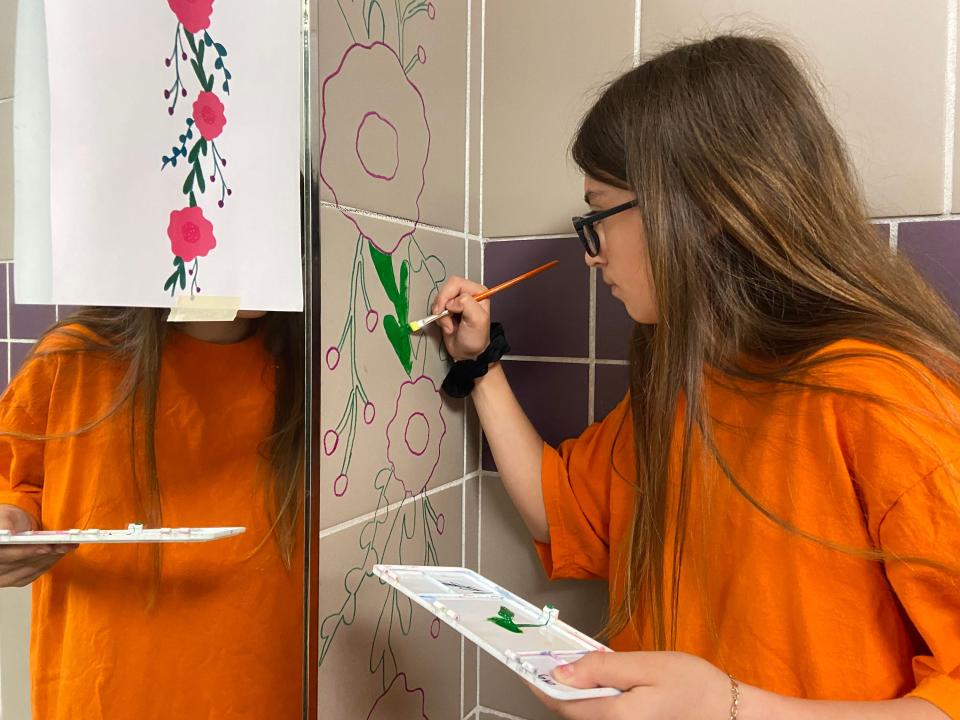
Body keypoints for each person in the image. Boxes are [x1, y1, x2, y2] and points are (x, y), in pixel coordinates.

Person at [433, 35, 960, 720]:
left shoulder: (881, 397)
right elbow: (564, 510)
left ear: (704, 209)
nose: (592, 256)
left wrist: (733, 707)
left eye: (598, 215)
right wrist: (480, 366)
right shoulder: (685, 381)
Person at [0, 307, 304, 720]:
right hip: (104, 691)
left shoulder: (320, 370)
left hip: (268, 689)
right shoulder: (74, 358)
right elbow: (12, 474)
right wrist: (12, 514)